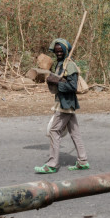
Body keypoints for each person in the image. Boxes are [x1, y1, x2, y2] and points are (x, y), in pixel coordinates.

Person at [36, 38, 90, 174]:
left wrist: (58, 82)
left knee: (54, 131)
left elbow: (72, 86)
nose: (58, 53)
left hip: (66, 104)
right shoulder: (61, 64)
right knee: (75, 132)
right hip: (64, 102)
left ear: (66, 51)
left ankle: (52, 164)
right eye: (57, 51)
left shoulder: (70, 65)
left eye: (61, 51)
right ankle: (82, 161)